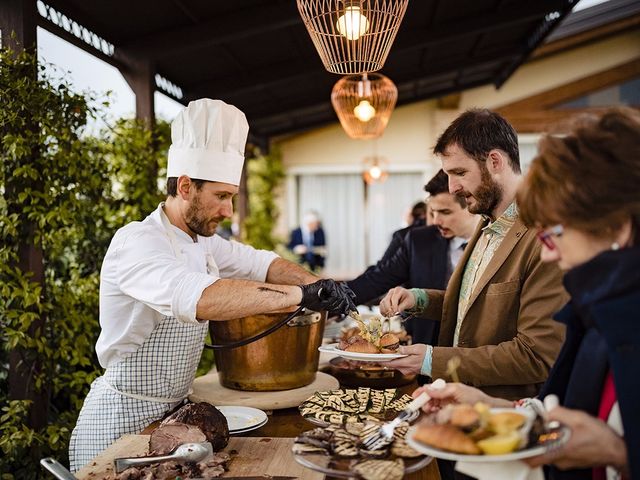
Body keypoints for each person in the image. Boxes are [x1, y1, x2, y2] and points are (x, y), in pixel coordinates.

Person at [68, 99, 356, 471]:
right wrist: (302, 296)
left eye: (230, 198)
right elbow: (200, 297)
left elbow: (260, 263)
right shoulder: (138, 242)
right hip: (122, 421)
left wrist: (320, 282)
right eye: (221, 197)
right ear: (185, 186)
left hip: (176, 420)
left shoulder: (202, 240)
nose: (228, 211)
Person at [412, 107, 639, 479]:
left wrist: (618, 453)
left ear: (617, 227)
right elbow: (568, 411)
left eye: (555, 233)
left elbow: (539, 358)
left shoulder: (611, 317)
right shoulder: (599, 317)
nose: (547, 250)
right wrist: (492, 407)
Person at [380, 109, 567, 401]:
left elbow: (536, 355)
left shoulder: (543, 235)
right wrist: (419, 299)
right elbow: (476, 306)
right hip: (457, 405)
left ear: (495, 161)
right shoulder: (486, 222)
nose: (453, 188)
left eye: (459, 173)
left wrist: (431, 360)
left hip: (501, 419)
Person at [347, 169, 478, 349]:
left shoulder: (495, 242)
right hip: (426, 348)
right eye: (433, 212)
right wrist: (322, 299)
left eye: (445, 212)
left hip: (479, 349)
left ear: (472, 206)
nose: (436, 221)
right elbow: (377, 278)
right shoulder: (419, 240)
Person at [378, 200, 427, 264]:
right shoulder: (437, 233)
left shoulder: (402, 235)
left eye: (408, 214)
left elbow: (385, 263)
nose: (405, 217)